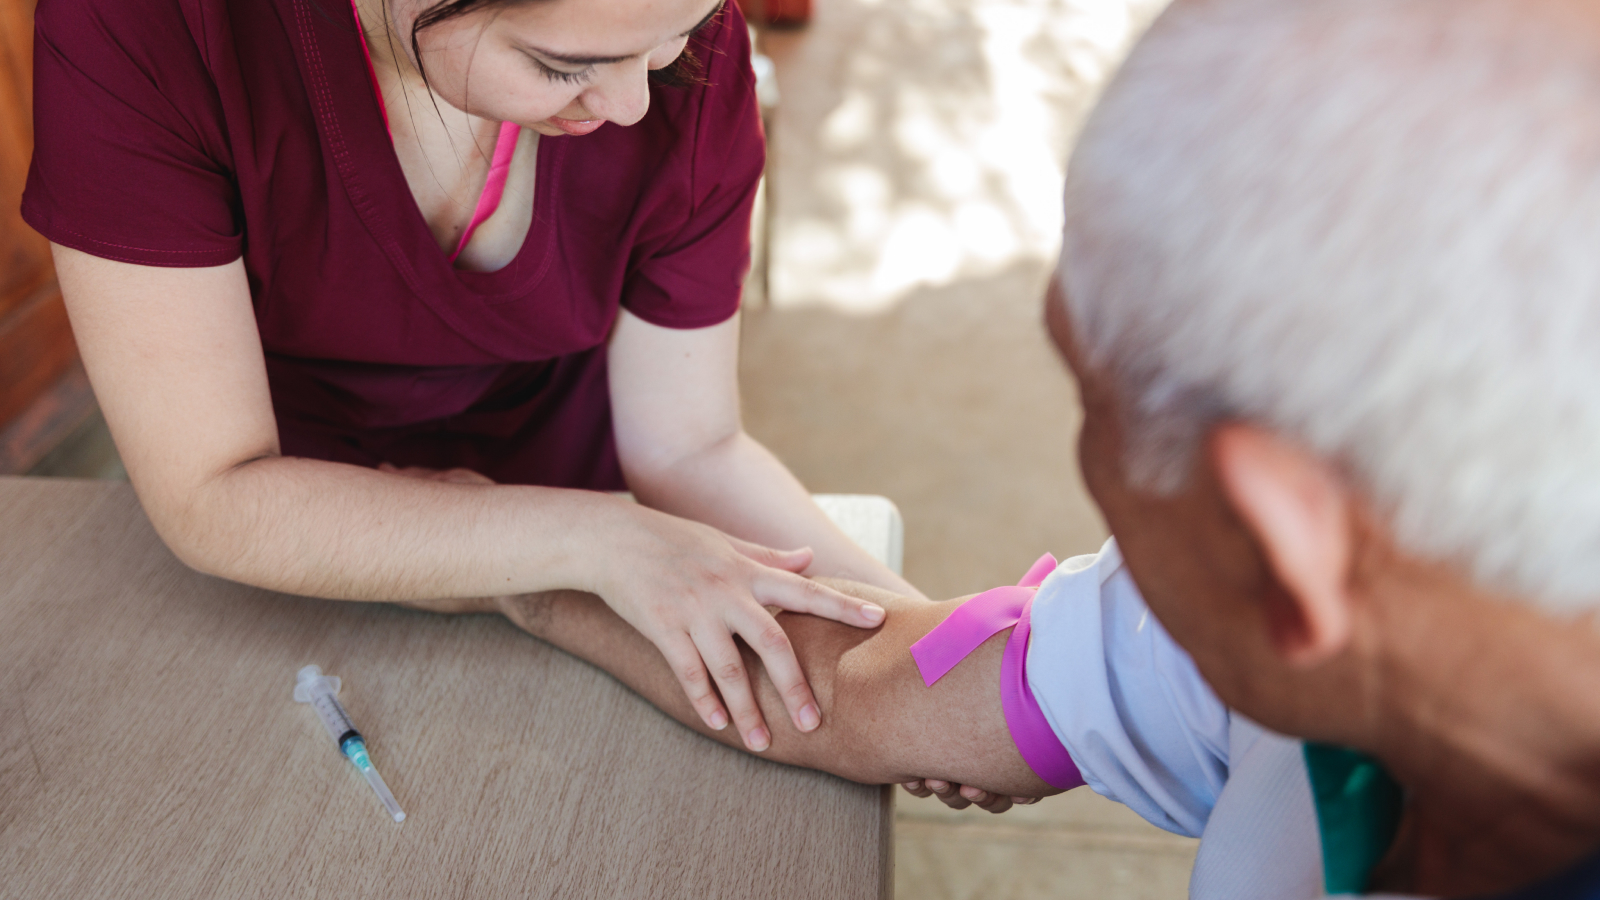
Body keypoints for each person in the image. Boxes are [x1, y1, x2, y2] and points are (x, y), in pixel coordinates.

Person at [484, 0, 1600, 895]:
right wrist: (526, 579)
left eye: (1093, 407)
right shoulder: (1274, 642)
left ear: (1284, 542)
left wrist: (516, 577)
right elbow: (867, 694)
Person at [23, 0, 917, 754]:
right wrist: (594, 543)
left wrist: (917, 628)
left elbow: (692, 443)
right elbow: (213, 494)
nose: (635, 104)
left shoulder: (675, 34)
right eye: (565, 65)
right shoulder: (146, 29)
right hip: (296, 568)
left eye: (668, 47)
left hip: (588, 523)